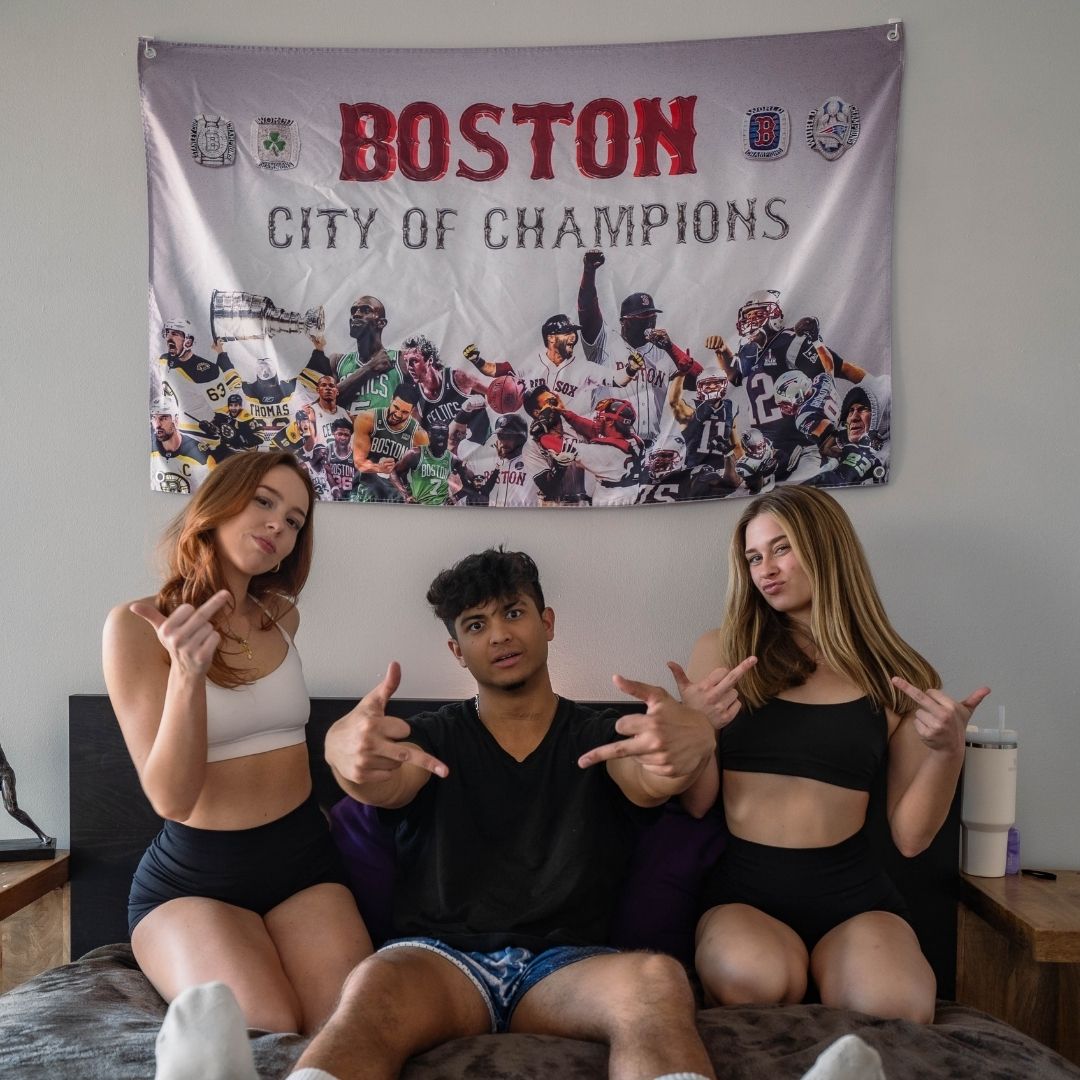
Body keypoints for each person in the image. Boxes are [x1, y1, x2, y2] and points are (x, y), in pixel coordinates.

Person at [286, 547, 736, 1080]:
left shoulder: (602, 737)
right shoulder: (428, 738)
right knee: (371, 983)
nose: (498, 635)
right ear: (458, 650)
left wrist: (688, 745)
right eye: (477, 625)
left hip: (568, 968)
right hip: (439, 961)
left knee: (658, 979)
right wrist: (342, 750)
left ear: (547, 623)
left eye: (513, 613)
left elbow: (649, 780)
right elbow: (380, 783)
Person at [683, 486, 989, 1023]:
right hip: (744, 894)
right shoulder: (724, 651)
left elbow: (911, 838)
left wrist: (948, 751)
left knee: (895, 1008)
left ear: (826, 547)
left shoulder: (898, 674)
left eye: (782, 549)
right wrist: (699, 731)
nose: (765, 570)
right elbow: (697, 803)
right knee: (754, 981)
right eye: (754, 557)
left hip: (853, 898)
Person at [102, 452, 372, 1035]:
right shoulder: (137, 625)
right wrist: (186, 675)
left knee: (345, 1032)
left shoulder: (281, 617)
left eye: (296, 520)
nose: (280, 525)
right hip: (196, 879)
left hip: (304, 862)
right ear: (218, 504)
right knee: (263, 1028)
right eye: (265, 502)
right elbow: (172, 798)